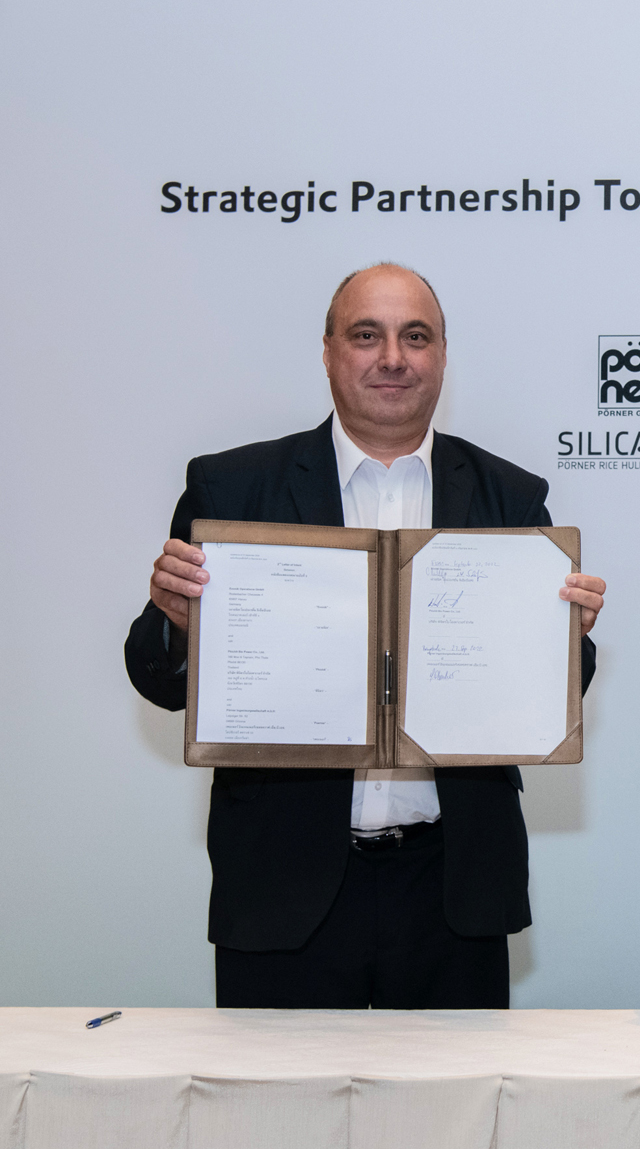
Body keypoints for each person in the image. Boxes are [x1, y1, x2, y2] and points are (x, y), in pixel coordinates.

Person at [124, 263, 605, 1009]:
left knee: (456, 1090)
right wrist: (177, 624)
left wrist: (563, 637)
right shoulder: (233, 487)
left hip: (452, 886)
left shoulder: (510, 494)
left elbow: (554, 689)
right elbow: (158, 678)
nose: (392, 357)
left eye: (415, 336)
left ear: (441, 355)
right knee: (280, 1089)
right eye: (366, 335)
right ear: (328, 352)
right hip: (284, 885)